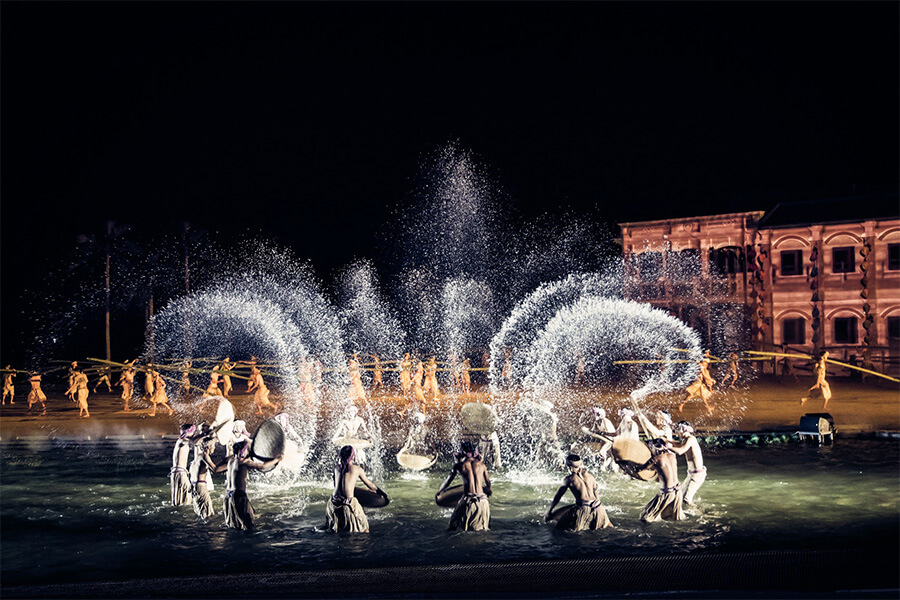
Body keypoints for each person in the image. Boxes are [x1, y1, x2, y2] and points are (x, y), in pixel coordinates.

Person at [212, 439, 281, 530]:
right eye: (246, 450)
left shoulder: (230, 460)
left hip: (228, 496)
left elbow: (216, 469)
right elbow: (263, 466)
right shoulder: (244, 462)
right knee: (248, 525)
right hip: (238, 496)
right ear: (243, 452)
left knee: (233, 525)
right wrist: (277, 459)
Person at [545, 454, 613, 531]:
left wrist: (550, 511)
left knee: (559, 528)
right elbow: (596, 494)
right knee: (608, 526)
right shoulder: (591, 476)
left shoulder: (569, 479)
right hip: (598, 506)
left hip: (583, 509)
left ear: (569, 467)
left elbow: (558, 496)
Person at [437, 441, 492, 531]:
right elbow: (488, 483)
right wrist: (488, 490)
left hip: (468, 501)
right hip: (483, 501)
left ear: (462, 452)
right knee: (483, 529)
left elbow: (448, 482)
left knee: (453, 526)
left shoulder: (460, 466)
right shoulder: (482, 465)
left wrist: (440, 492)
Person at [325, 445, 381, 533]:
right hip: (349, 504)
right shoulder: (357, 469)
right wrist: (380, 493)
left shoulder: (336, 468)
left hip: (333, 503)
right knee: (365, 528)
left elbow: (337, 485)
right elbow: (370, 486)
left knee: (338, 530)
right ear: (353, 456)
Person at [640, 438, 686, 522]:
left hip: (667, 493)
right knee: (675, 519)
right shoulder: (672, 456)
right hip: (678, 492)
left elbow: (642, 469)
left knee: (645, 517)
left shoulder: (656, 459)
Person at [669, 421, 706, 506]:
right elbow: (678, 444)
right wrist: (666, 440)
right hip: (691, 474)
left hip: (697, 475)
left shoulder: (691, 439)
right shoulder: (686, 440)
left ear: (683, 430)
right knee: (678, 495)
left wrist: (668, 447)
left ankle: (701, 513)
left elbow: (681, 451)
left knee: (687, 500)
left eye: (678, 430)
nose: (677, 433)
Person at [190, 426, 218, 519]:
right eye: (213, 446)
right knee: (207, 513)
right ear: (209, 447)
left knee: (202, 511)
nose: (214, 448)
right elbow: (215, 469)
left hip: (195, 486)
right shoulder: (205, 456)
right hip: (201, 487)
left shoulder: (199, 455)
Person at [171, 424, 196, 506]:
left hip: (176, 473)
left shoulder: (180, 441)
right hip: (180, 474)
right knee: (186, 498)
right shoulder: (183, 441)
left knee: (179, 499)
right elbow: (196, 441)